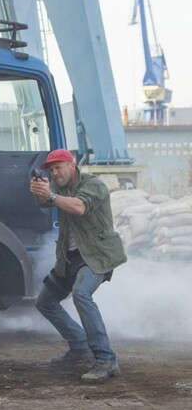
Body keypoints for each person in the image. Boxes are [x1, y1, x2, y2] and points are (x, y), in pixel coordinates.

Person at [29, 149, 127, 381]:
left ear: (71, 166)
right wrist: (38, 190)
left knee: (81, 294)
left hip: (96, 256)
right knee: (45, 302)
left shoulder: (94, 185)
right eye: (50, 170)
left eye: (58, 168)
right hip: (69, 258)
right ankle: (80, 345)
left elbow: (80, 207)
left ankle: (106, 360)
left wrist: (50, 195)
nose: (54, 173)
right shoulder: (58, 187)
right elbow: (43, 202)